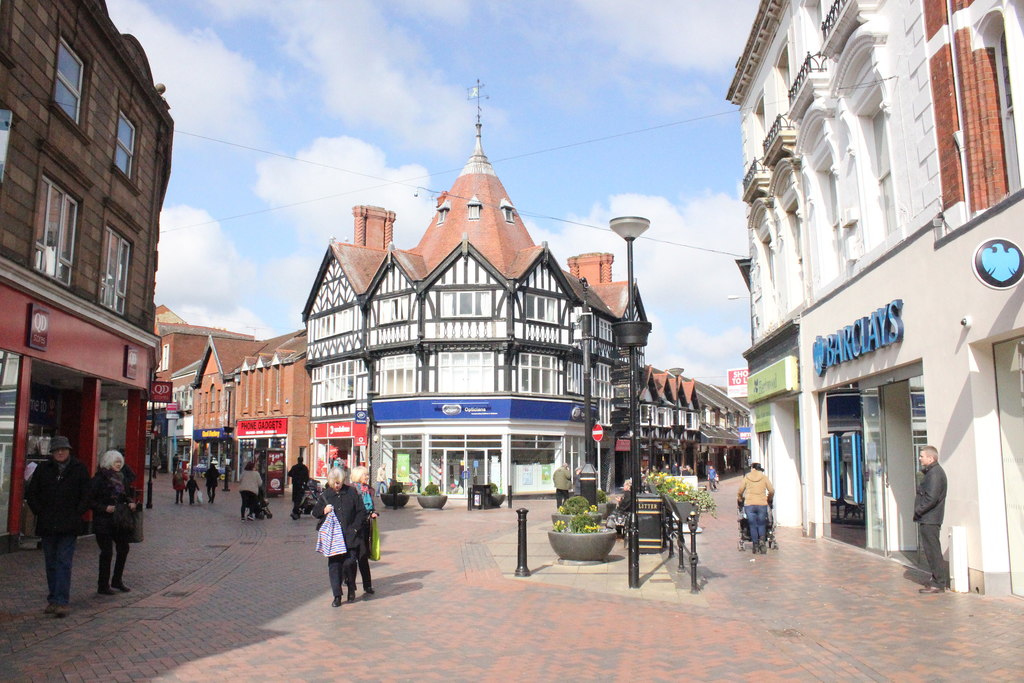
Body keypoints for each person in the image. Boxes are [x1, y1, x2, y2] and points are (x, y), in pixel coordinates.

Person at [25, 435, 90, 618]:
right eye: (56, 450)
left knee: (63, 561)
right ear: (52, 452)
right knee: (51, 563)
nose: (60, 452)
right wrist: (39, 511)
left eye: (63, 449)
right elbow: (32, 493)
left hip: (69, 525)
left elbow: (87, 494)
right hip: (48, 524)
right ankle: (53, 598)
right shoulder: (43, 469)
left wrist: (78, 512)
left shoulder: (79, 469)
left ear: (69, 450)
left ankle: (61, 601)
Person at [312, 466, 366, 606]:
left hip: (350, 536)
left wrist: (355, 529)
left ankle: (351, 585)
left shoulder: (351, 492)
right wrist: (324, 510)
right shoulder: (326, 495)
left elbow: (361, 511)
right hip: (333, 538)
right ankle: (337, 595)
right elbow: (315, 512)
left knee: (350, 562)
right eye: (335, 482)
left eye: (339, 482)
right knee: (334, 566)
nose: (337, 485)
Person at [88, 450, 136, 595]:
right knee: (107, 552)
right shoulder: (99, 479)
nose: (119, 464)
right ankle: (103, 585)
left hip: (119, 520)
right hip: (103, 521)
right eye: (116, 461)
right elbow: (90, 500)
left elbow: (126, 495)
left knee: (123, 548)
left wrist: (130, 502)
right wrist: (104, 508)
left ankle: (117, 580)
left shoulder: (122, 478)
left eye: (120, 461)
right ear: (108, 462)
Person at [914, 445, 948, 594]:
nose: (920, 458)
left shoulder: (935, 474)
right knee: (930, 550)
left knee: (932, 550)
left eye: (922, 456)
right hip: (928, 517)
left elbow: (931, 498)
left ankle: (939, 583)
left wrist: (919, 510)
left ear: (931, 458)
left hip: (930, 518)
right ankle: (936, 579)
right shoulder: (931, 472)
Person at [349, 466, 378, 596]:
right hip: (354, 527)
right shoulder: (352, 490)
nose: (367, 477)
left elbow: (371, 507)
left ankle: (367, 585)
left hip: (366, 526)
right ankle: (350, 581)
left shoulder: (369, 490)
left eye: (367, 475)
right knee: (352, 556)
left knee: (363, 555)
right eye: (365, 475)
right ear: (358, 476)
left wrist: (373, 513)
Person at [737, 462, 774, 555]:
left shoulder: (747, 477)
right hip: (762, 503)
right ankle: (762, 542)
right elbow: (771, 490)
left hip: (749, 504)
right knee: (761, 523)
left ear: (752, 468)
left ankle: (755, 544)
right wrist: (769, 498)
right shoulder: (764, 477)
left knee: (752, 524)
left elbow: (740, 490)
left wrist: (740, 498)